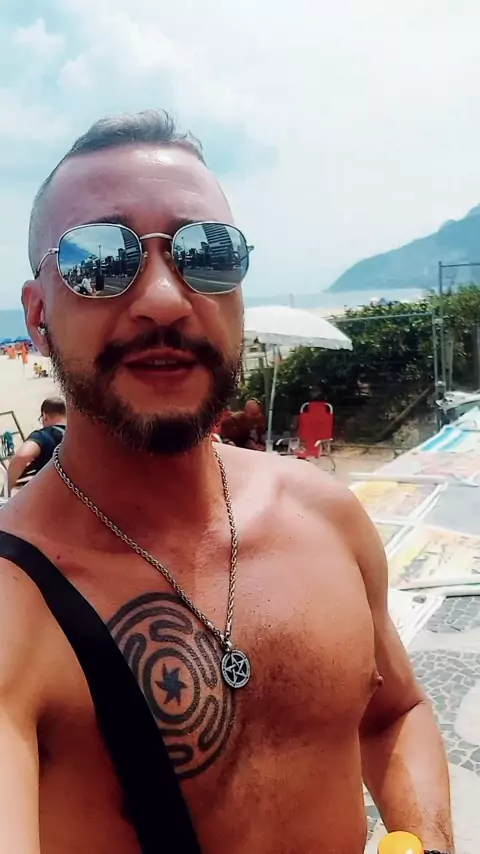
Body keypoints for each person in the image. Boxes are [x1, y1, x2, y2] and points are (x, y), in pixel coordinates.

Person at [0, 110, 453, 854]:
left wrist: (426, 839)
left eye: (205, 253)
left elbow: (394, 714)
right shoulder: (15, 600)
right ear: (39, 314)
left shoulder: (325, 516)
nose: (164, 298)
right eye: (99, 260)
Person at [7, 397, 66, 491]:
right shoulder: (78, 434)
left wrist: (6, 490)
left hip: (51, 493)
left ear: (45, 416)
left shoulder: (44, 435)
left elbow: (21, 457)